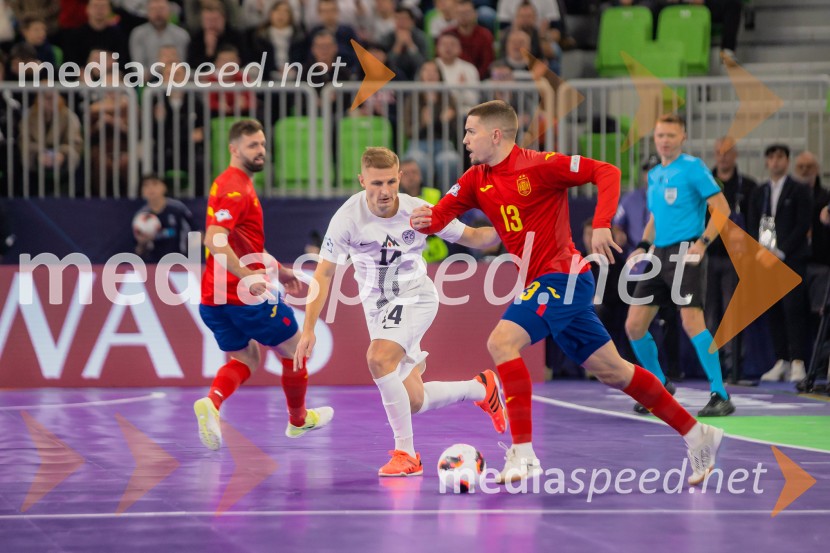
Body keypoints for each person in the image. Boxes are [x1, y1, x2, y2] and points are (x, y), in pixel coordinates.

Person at [411, 100, 724, 486]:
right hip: (544, 283)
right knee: (615, 371)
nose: (464, 140)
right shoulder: (476, 178)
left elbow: (605, 171)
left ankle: (523, 455)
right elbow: (439, 216)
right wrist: (413, 218)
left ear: (496, 135)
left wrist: (602, 223)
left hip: (564, 277)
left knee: (501, 342)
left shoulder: (539, 165)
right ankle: (698, 435)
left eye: (470, 131)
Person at [295, 146, 507, 477]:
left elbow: (476, 238)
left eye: (391, 182)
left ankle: (406, 454)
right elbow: (323, 273)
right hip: (376, 309)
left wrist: (511, 223)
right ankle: (482, 388)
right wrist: (308, 328)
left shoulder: (418, 212)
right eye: (376, 183)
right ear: (362, 181)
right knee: (413, 400)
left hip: (415, 296)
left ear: (400, 178)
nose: (384, 191)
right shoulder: (347, 219)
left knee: (378, 359)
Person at [194, 119, 333, 451]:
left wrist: (279, 271)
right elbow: (215, 241)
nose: (261, 151)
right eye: (252, 145)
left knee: (246, 359)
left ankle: (212, 402)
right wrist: (249, 278)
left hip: (212, 299)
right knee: (296, 349)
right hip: (242, 297)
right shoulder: (235, 188)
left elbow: (244, 243)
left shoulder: (229, 183)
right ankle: (298, 421)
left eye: (262, 144)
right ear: (233, 149)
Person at [624, 114, 735, 417]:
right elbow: (654, 219)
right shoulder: (656, 174)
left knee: (692, 322)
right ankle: (659, 386)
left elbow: (722, 208)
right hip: (659, 254)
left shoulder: (693, 168)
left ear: (683, 137)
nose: (665, 140)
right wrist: (643, 247)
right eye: (660, 135)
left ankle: (720, 393)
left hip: (687, 251)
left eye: (671, 135)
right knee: (634, 326)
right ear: (655, 138)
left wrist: (703, 243)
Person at [748, 144, 812, 383]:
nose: (775, 162)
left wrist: (782, 250)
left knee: (793, 310)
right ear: (766, 162)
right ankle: (781, 360)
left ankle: (798, 361)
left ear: (787, 160)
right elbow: (754, 221)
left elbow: (802, 224)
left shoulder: (799, 189)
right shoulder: (761, 191)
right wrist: (763, 250)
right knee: (773, 310)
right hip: (767, 259)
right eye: (771, 157)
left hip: (791, 258)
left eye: (780, 157)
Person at [133, 174, 199, 263]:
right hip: (153, 266)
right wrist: (143, 243)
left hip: (179, 262)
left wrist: (190, 251)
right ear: (142, 191)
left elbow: (197, 234)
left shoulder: (177, 208)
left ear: (164, 187)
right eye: (146, 185)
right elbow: (138, 251)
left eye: (155, 184)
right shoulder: (141, 216)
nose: (150, 188)